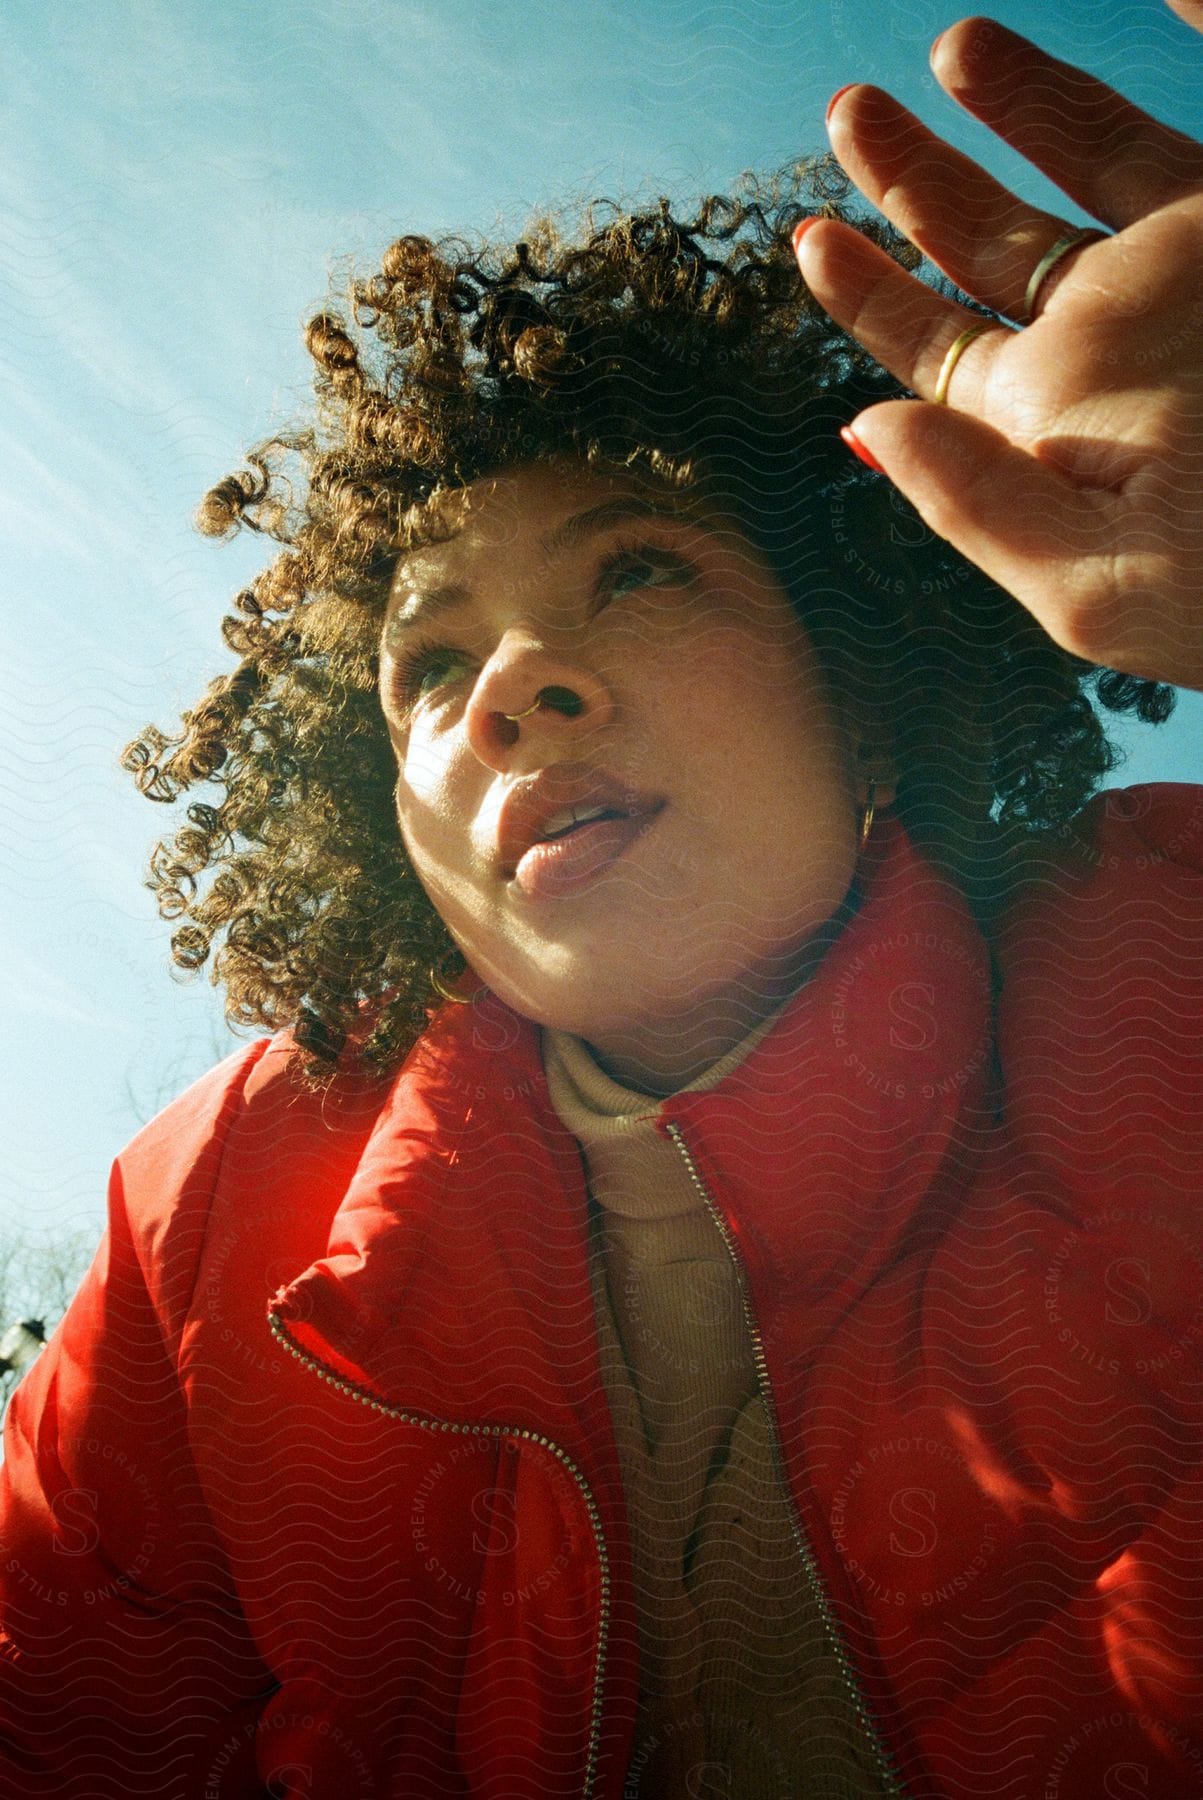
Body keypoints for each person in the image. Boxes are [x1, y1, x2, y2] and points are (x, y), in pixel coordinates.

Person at [2, 10, 1202, 1797]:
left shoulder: (1171, 969)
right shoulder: (210, 1217)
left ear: (863, 680)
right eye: (428, 664)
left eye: (639, 571)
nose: (513, 689)